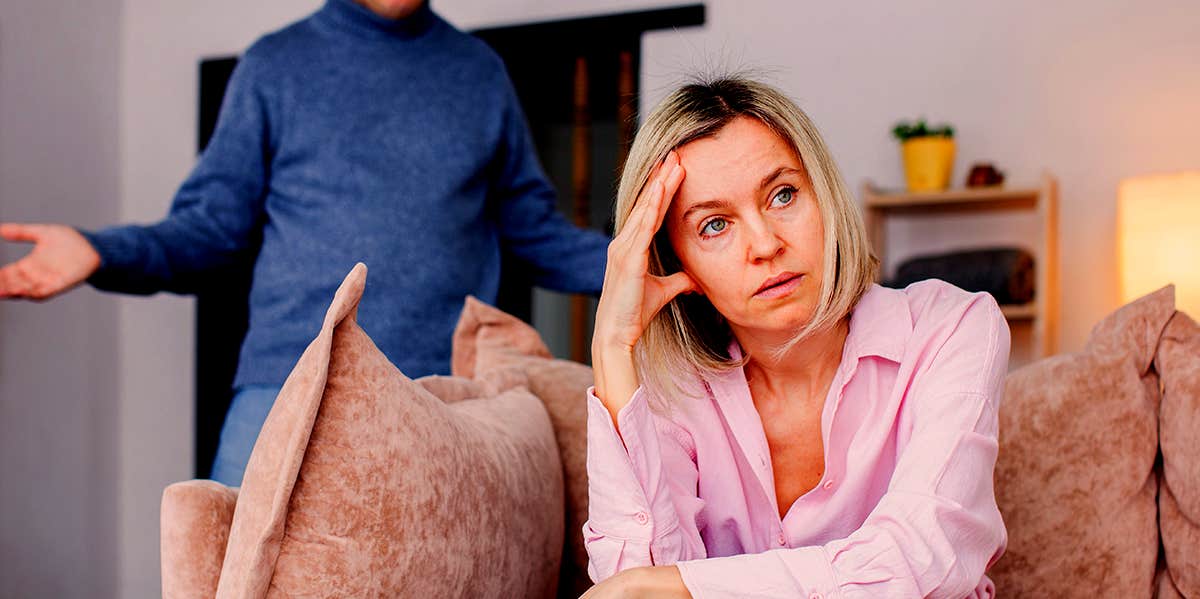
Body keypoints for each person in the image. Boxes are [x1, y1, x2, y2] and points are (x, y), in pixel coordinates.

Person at [0, 0, 609, 486]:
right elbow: (209, 230)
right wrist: (100, 250)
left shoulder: (480, 73)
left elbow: (536, 235)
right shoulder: (275, 65)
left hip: (442, 396)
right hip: (286, 388)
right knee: (231, 578)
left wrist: (660, 254)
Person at [582, 77, 1009, 598]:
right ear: (674, 262)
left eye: (783, 194)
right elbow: (632, 582)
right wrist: (611, 344)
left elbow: (921, 558)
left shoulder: (954, 328)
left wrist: (682, 588)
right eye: (714, 225)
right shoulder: (673, 394)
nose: (765, 244)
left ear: (824, 196)